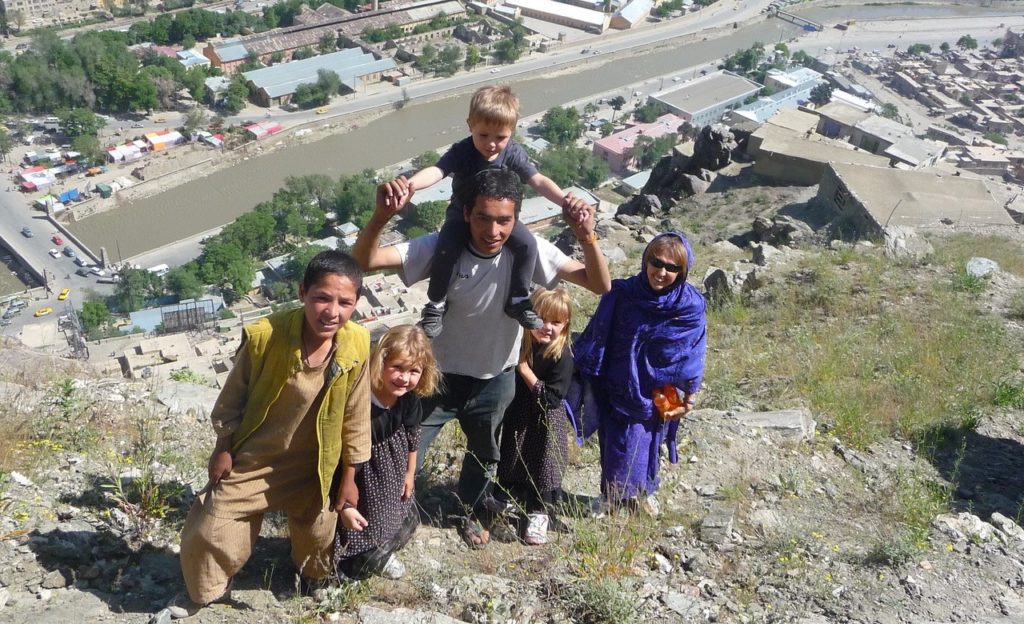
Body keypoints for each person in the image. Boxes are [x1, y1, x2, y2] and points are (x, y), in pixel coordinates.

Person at [353, 167, 610, 548]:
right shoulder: (443, 246)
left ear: (516, 218)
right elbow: (365, 261)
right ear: (466, 213)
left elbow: (599, 283)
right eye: (483, 219)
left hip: (496, 378)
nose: (493, 232)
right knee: (404, 452)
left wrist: (586, 235)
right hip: (434, 379)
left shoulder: (530, 250)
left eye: (504, 221)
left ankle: (471, 511)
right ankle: (386, 516)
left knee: (485, 454)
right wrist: (381, 216)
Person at [169, 250, 372, 619]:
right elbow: (233, 397)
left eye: (345, 302)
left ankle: (305, 572)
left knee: (316, 552)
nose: (331, 312)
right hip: (256, 460)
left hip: (314, 468)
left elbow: (356, 415)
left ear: (356, 303)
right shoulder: (267, 336)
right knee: (209, 534)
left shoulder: (357, 344)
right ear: (302, 294)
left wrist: (349, 477)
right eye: (322, 298)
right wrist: (223, 448)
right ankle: (215, 589)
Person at [383, 85, 575, 338]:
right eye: (484, 135)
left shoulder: (513, 152)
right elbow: (438, 171)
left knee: (527, 244)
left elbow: (537, 180)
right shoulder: (463, 151)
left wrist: (565, 201)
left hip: (498, 217)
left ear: (512, 132)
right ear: (470, 124)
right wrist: (410, 186)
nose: (492, 144)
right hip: (462, 213)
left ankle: (518, 299)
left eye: (500, 137)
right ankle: (436, 303)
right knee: (447, 245)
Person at [573, 233, 707, 517]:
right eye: (656, 262)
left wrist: (690, 395)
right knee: (616, 443)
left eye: (672, 268)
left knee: (647, 441)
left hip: (656, 390)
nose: (661, 272)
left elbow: (691, 352)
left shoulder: (689, 306)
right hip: (617, 383)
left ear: (683, 271)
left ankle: (644, 492)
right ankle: (611, 497)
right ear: (646, 259)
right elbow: (598, 332)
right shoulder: (622, 293)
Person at [334, 324, 439, 580]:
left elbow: (413, 437)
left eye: (414, 371)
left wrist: (410, 473)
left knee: (394, 511)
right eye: (398, 368)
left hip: (393, 468)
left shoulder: (409, 399)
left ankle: (382, 550)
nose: (404, 378)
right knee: (364, 518)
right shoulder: (361, 400)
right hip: (359, 472)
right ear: (381, 361)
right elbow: (346, 449)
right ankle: (360, 556)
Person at [496, 287, 574, 546]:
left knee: (544, 464)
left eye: (556, 322)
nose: (547, 327)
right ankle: (507, 496)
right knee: (514, 453)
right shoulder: (521, 342)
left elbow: (552, 398)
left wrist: (523, 368)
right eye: (541, 318)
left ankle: (539, 513)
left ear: (565, 326)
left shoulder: (562, 355)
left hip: (546, 420)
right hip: (519, 411)